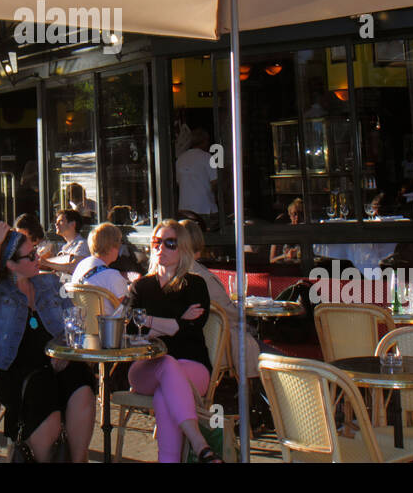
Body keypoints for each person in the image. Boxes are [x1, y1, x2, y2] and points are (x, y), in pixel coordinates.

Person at [0, 221, 96, 462]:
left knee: (82, 379)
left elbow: (74, 324)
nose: (37, 258)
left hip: (54, 365)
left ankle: (77, 459)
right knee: (43, 391)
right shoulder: (2, 293)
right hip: (17, 373)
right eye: (30, 256)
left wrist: (66, 351)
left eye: (36, 251)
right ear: (10, 264)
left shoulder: (48, 284)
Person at [127, 220, 222, 463]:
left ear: (183, 249)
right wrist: (177, 322)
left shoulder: (195, 285)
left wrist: (148, 322)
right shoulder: (140, 287)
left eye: (170, 243)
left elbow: (194, 326)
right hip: (145, 367)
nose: (161, 248)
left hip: (193, 366)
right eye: (157, 242)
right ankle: (200, 444)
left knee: (164, 391)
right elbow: (132, 332)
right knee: (167, 364)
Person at [181, 218, 260, 382]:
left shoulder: (171, 275)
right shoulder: (202, 278)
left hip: (195, 345)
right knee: (267, 352)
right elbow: (230, 314)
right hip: (216, 347)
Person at [70, 223, 131, 302]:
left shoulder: (81, 266)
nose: (120, 247)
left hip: (83, 314)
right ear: (112, 247)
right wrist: (131, 289)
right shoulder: (112, 276)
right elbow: (125, 310)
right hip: (106, 314)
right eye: (119, 243)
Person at [175, 128, 217, 225]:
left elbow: (178, 183)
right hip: (204, 208)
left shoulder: (180, 159)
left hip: (184, 209)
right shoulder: (208, 157)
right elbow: (215, 183)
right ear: (205, 142)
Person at [37, 209, 89, 281]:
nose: (56, 224)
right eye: (56, 222)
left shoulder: (82, 244)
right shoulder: (65, 247)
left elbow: (75, 267)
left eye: (61, 221)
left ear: (73, 224)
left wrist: (47, 263)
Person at [269, 198, 304, 264]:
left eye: (301, 214)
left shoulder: (308, 231)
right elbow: (271, 260)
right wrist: (286, 256)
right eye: (295, 214)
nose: (298, 217)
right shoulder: (282, 232)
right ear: (290, 215)